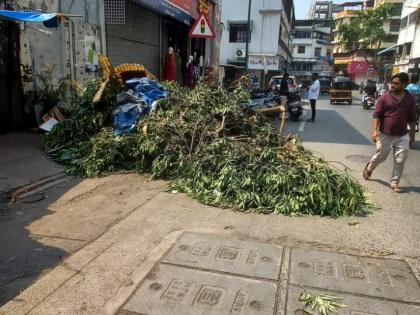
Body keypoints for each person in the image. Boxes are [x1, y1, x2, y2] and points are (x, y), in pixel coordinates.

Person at [363, 73, 417, 193]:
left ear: (404, 84)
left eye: (396, 83)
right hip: (385, 134)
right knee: (380, 157)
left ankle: (394, 182)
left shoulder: (410, 99)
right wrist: (375, 131)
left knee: (400, 159)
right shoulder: (385, 97)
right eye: (392, 83)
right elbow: (376, 115)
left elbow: (413, 119)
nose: (393, 85)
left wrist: (412, 134)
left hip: (402, 135)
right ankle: (369, 168)